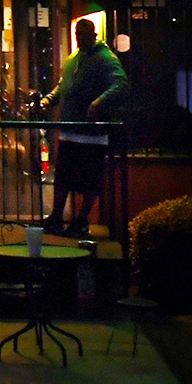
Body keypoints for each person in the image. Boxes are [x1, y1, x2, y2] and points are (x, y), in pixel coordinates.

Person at [42, 17, 129, 237]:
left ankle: (81, 221)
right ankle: (57, 217)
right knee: (63, 178)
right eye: (77, 34)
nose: (79, 38)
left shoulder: (105, 58)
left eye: (82, 33)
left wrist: (99, 102)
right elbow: (63, 85)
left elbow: (121, 83)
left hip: (92, 134)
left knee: (89, 181)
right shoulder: (74, 58)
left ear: (93, 34)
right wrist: (48, 100)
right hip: (70, 131)